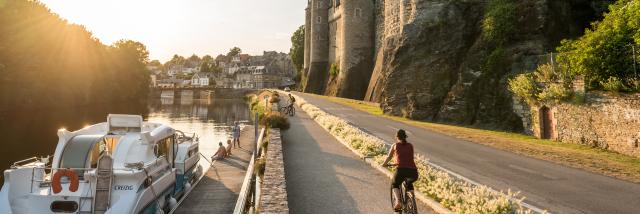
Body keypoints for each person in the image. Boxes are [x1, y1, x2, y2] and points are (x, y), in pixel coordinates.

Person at [382, 129, 418, 210]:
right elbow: (408, 157)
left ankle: (398, 201)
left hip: (401, 170)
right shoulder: (410, 145)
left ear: (397, 137)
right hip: (413, 172)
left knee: (394, 184)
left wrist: (384, 164)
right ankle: (411, 198)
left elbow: (389, 157)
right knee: (409, 182)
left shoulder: (395, 145)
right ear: (405, 137)